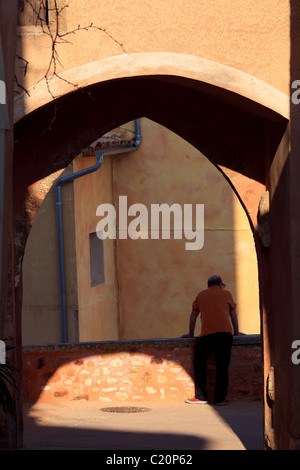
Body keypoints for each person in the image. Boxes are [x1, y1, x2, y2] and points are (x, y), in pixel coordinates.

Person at [182, 275, 239, 405]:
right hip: (225, 334)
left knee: (199, 364)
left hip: (206, 335)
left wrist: (190, 333)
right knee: (222, 366)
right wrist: (236, 332)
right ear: (219, 283)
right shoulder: (226, 294)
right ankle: (220, 399)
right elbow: (233, 314)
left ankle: (201, 397)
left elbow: (194, 315)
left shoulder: (201, 295)